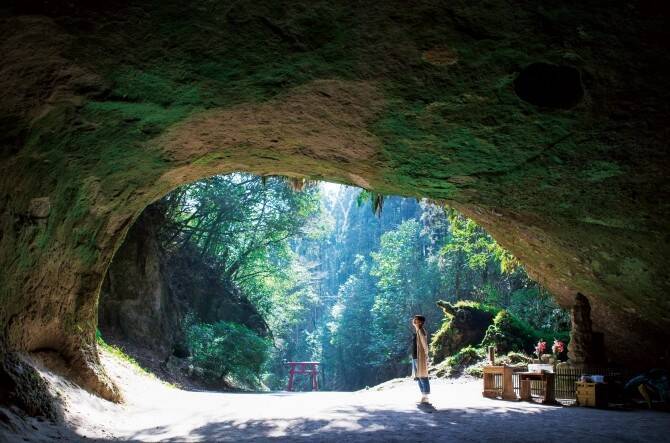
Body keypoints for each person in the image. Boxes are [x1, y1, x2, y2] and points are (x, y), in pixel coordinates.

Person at [411, 314, 431, 403]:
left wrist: (426, 356)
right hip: (415, 357)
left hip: (420, 357)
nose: (414, 321)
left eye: (416, 320)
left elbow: (425, 345)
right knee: (418, 377)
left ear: (421, 322)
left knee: (423, 376)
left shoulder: (422, 331)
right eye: (414, 319)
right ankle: (423, 396)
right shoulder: (418, 330)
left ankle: (426, 396)